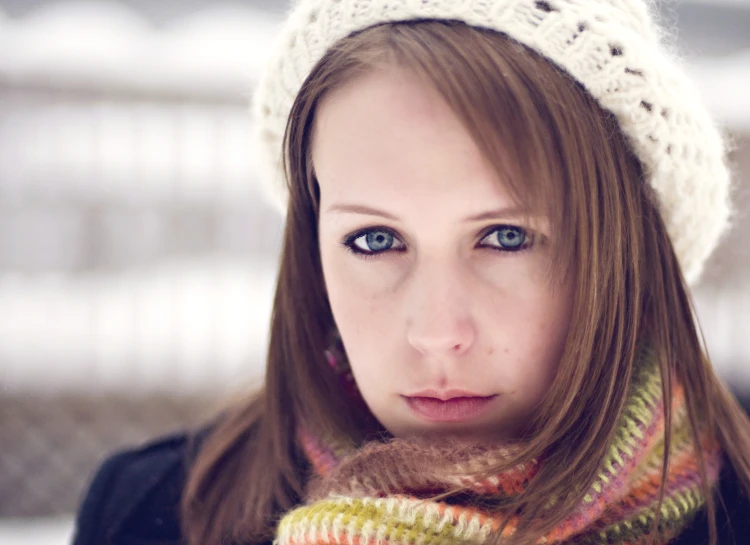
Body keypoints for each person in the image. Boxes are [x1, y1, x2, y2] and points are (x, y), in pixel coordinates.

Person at [72, 1, 750, 544]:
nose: (437, 332)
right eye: (374, 239)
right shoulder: (146, 512)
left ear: (624, 248)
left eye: (506, 236)